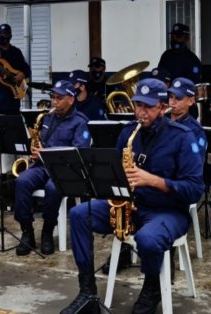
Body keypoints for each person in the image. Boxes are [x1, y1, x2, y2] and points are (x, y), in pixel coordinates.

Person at [61, 78, 204, 314]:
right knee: (79, 215)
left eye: (148, 106)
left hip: (168, 211)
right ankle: (87, 290)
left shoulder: (182, 137)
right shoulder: (129, 132)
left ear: (162, 107)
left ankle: (152, 288)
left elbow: (195, 189)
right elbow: (114, 174)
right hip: (130, 206)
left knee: (148, 239)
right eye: (138, 105)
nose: (141, 112)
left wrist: (154, 181)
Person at [14, 80, 91, 256]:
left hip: (66, 170)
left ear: (71, 99)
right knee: (22, 181)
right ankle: (27, 231)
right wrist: (35, 150)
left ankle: (48, 231)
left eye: (59, 98)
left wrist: (46, 152)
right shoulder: (47, 117)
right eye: (53, 97)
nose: (54, 101)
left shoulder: (80, 122)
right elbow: (41, 143)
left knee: (52, 188)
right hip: (43, 166)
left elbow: (80, 152)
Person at [167, 77, 207, 162]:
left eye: (178, 98)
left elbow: (196, 164)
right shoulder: (160, 120)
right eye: (171, 97)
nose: (172, 102)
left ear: (191, 101)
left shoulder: (197, 131)